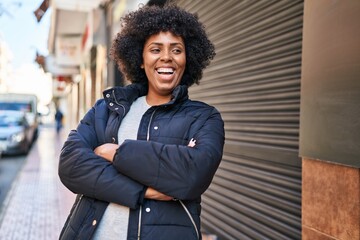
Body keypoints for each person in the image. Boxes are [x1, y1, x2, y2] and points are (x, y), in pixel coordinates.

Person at [58, 4, 224, 240]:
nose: (166, 57)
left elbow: (193, 174)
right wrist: (144, 190)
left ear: (187, 59)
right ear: (140, 58)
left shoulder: (204, 118)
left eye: (176, 50)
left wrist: (115, 153)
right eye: (155, 49)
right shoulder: (107, 108)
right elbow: (70, 164)